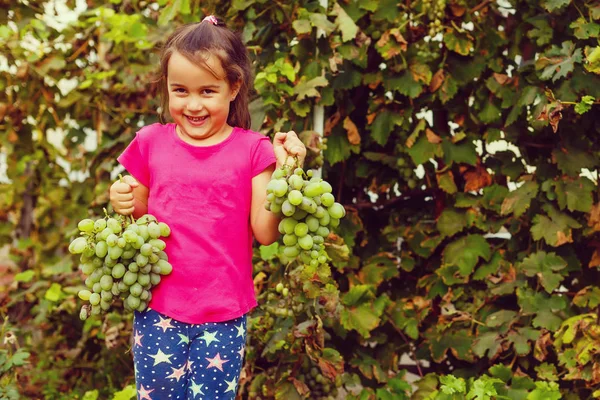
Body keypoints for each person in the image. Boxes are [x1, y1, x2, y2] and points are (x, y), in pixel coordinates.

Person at [108, 15, 306, 400]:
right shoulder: (151, 142)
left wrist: (288, 171)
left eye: (207, 91)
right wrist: (123, 200)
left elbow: (265, 232)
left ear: (234, 87)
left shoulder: (254, 149)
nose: (193, 104)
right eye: (180, 90)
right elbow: (140, 217)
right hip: (158, 311)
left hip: (224, 315)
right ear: (166, 88)